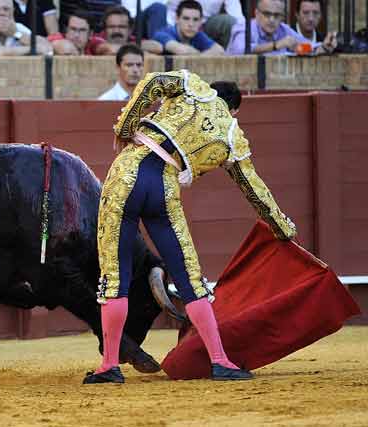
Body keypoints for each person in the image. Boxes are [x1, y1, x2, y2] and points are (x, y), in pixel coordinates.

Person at [83, 70, 296, 383]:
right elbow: (254, 189)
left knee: (115, 275)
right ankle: (220, 361)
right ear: (234, 110)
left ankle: (109, 366)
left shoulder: (193, 86)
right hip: (165, 187)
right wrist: (283, 228)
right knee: (189, 276)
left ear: (212, 89)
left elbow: (155, 80)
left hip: (128, 172)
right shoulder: (231, 135)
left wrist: (125, 127)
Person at [227, 0, 336, 55]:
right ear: (256, 14)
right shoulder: (245, 28)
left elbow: (305, 47)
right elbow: (239, 50)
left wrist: (324, 47)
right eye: (267, 14)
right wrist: (275, 45)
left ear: (282, 17)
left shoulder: (284, 30)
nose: (272, 20)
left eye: (276, 15)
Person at [153, 0, 225, 55]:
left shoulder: (198, 35)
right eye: (186, 18)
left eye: (196, 20)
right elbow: (181, 50)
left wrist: (199, 55)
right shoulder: (163, 34)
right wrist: (204, 54)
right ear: (177, 19)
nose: (191, 24)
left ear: (201, 21)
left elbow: (219, 50)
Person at [165, 0, 244, 48]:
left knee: (229, 22)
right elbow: (172, 10)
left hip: (207, 26)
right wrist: (175, 32)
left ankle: (226, 61)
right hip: (181, 26)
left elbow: (237, 16)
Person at [95, 5, 163, 55]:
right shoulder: (96, 39)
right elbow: (111, 49)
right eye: (111, 27)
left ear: (130, 30)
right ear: (104, 29)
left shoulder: (132, 40)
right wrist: (142, 51)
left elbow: (158, 47)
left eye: (122, 27)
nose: (116, 31)